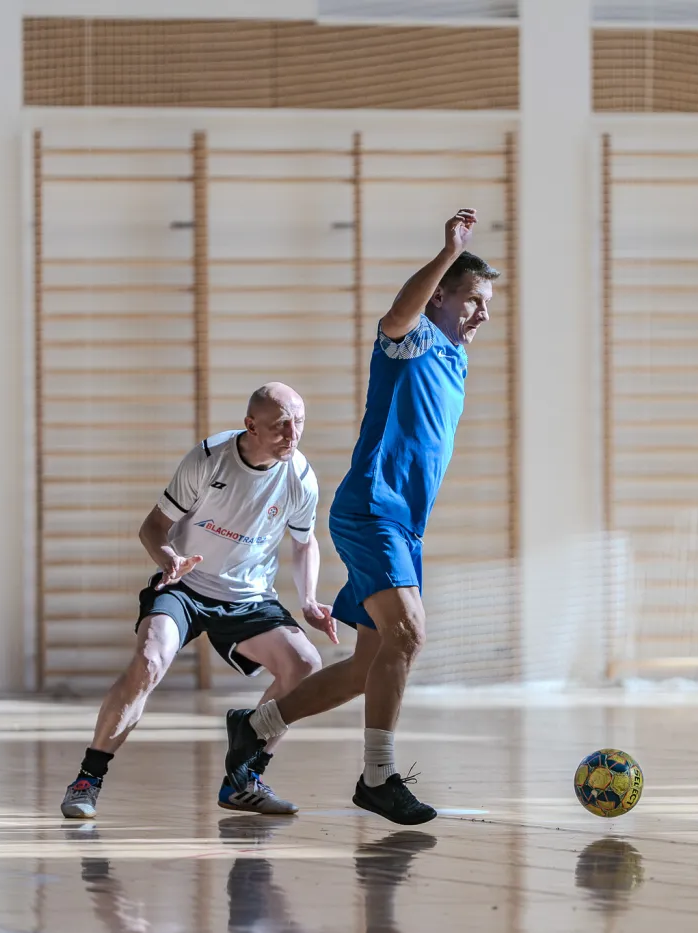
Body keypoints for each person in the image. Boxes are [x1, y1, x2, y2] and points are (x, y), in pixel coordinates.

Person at [222, 209, 499, 825]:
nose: (483, 314)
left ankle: (256, 726)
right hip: (373, 509)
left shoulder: (455, 358)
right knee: (409, 634)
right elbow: (398, 314)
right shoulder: (411, 340)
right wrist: (447, 254)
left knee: (367, 667)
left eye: (488, 305)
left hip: (404, 525)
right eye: (473, 300)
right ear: (441, 297)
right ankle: (378, 777)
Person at [60, 383, 335, 820]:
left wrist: (309, 600)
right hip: (185, 586)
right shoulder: (209, 459)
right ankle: (87, 779)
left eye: (299, 422)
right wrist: (169, 560)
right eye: (281, 425)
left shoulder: (299, 477)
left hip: (247, 597)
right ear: (251, 426)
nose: (292, 434)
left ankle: (245, 778)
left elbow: (304, 543)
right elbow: (152, 527)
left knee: (304, 665)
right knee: (148, 662)